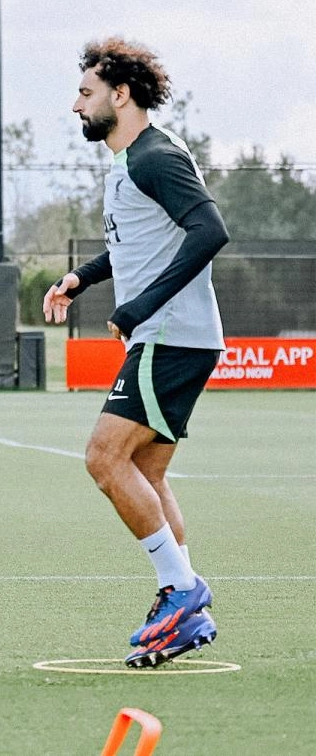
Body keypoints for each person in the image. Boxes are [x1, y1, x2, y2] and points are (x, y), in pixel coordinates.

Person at [44, 38, 229, 668]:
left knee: (103, 458)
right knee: (145, 475)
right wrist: (82, 278)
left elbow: (210, 230)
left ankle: (182, 590)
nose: (76, 105)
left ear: (120, 95)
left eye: (86, 93)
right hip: (175, 336)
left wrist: (140, 307)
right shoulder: (133, 161)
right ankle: (184, 612)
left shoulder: (153, 156)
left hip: (170, 336)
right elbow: (138, 246)